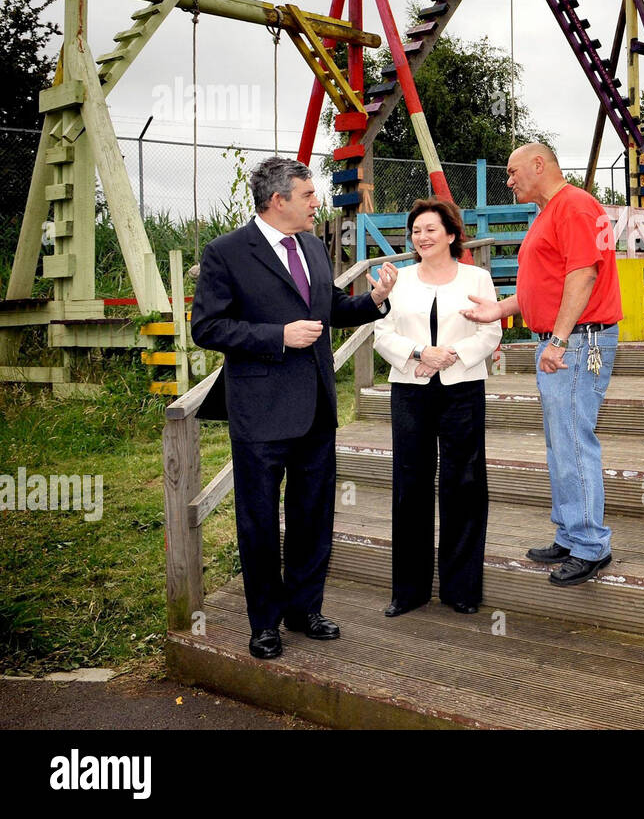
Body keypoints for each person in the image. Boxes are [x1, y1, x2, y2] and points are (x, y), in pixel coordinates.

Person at [191, 157, 396, 660]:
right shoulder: (226, 253)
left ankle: (306, 609)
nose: (316, 203)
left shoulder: (311, 245)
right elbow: (207, 328)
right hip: (260, 412)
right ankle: (264, 623)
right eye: (308, 195)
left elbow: (327, 310)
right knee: (259, 521)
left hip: (316, 409)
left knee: (312, 516)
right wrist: (276, 337)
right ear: (278, 200)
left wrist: (374, 299)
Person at [462, 142, 622, 587]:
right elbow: (547, 284)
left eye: (513, 172)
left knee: (572, 441)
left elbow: (583, 275)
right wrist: (501, 309)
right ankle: (572, 533)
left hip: (575, 341)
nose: (508, 180)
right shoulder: (553, 211)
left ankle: (591, 545)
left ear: (539, 164)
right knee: (560, 443)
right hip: (564, 339)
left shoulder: (572, 206)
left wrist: (558, 339)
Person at [372, 198, 500, 617]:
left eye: (430, 229)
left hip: (462, 387)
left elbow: (489, 329)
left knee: (464, 483)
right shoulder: (399, 279)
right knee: (411, 484)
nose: (421, 237)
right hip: (411, 387)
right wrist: (418, 353)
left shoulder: (477, 277)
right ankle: (408, 591)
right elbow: (381, 333)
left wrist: (451, 355)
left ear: (450, 234)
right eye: (416, 230)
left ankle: (461, 589)